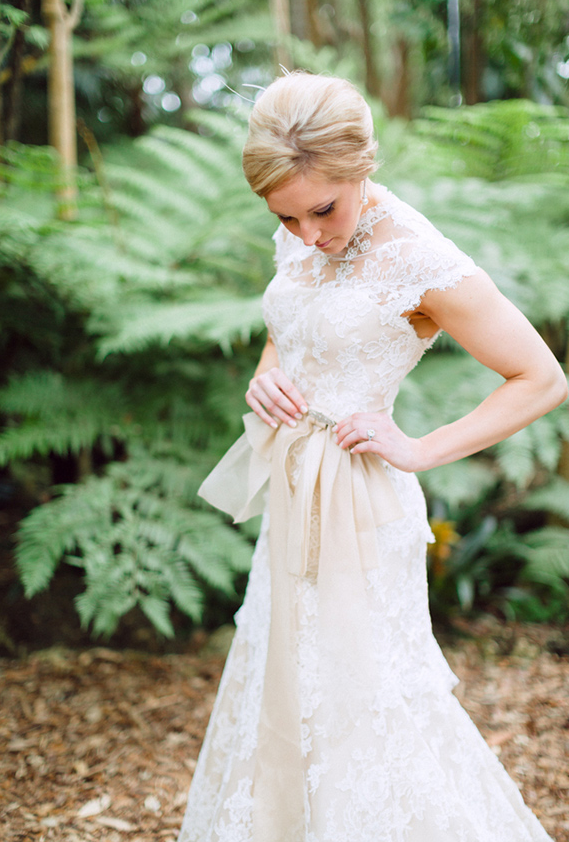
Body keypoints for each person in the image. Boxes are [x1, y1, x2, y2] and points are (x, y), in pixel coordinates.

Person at [177, 72, 567, 842]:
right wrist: (266, 377)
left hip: (361, 505)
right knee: (288, 681)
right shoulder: (302, 228)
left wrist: (418, 449)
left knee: (368, 694)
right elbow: (291, 327)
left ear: (363, 166)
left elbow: (542, 378)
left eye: (323, 210)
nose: (306, 234)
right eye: (285, 216)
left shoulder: (418, 259)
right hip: (292, 493)